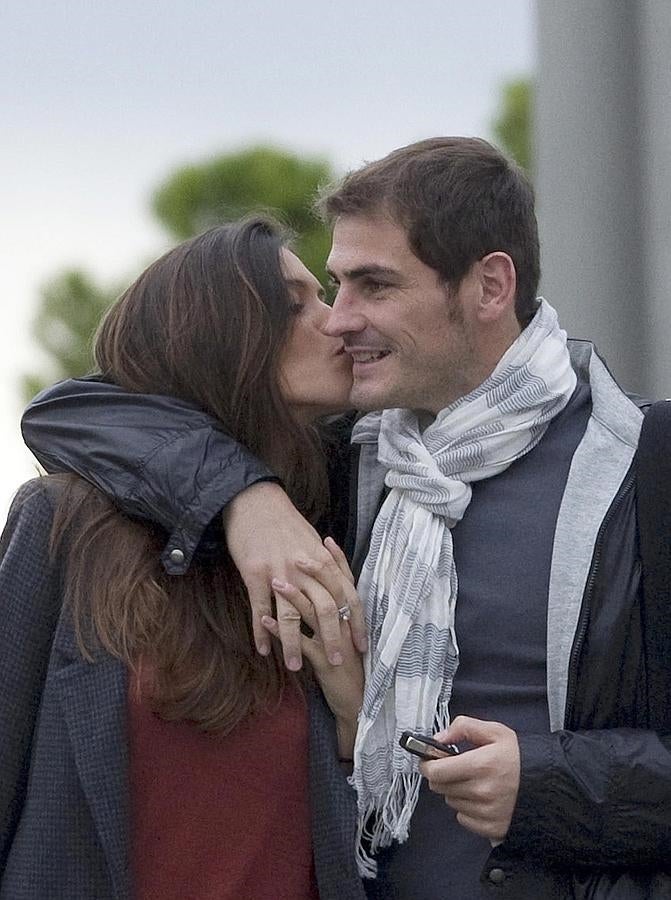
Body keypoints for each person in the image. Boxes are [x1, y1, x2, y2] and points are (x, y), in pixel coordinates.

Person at [21, 138, 671, 898]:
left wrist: (551, 784)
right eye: (335, 284)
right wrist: (244, 499)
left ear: (489, 286)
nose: (339, 320)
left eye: (374, 285)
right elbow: (76, 411)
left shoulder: (643, 465)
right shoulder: (339, 466)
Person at [1, 217, 368, 900]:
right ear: (214, 335)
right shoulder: (64, 524)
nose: (338, 321)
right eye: (296, 305)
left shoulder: (353, 510)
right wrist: (243, 496)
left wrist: (354, 726)